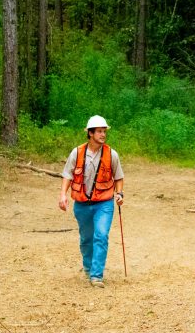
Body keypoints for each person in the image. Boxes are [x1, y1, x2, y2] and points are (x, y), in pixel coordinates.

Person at [59, 115, 124, 288]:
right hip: (81, 205)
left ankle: (97, 275)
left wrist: (120, 194)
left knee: (101, 235)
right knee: (86, 239)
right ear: (90, 133)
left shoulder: (112, 154)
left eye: (104, 131)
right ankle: (88, 267)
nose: (103, 134)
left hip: (104, 203)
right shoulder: (77, 153)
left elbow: (119, 177)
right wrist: (63, 195)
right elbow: (67, 174)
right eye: (100, 131)